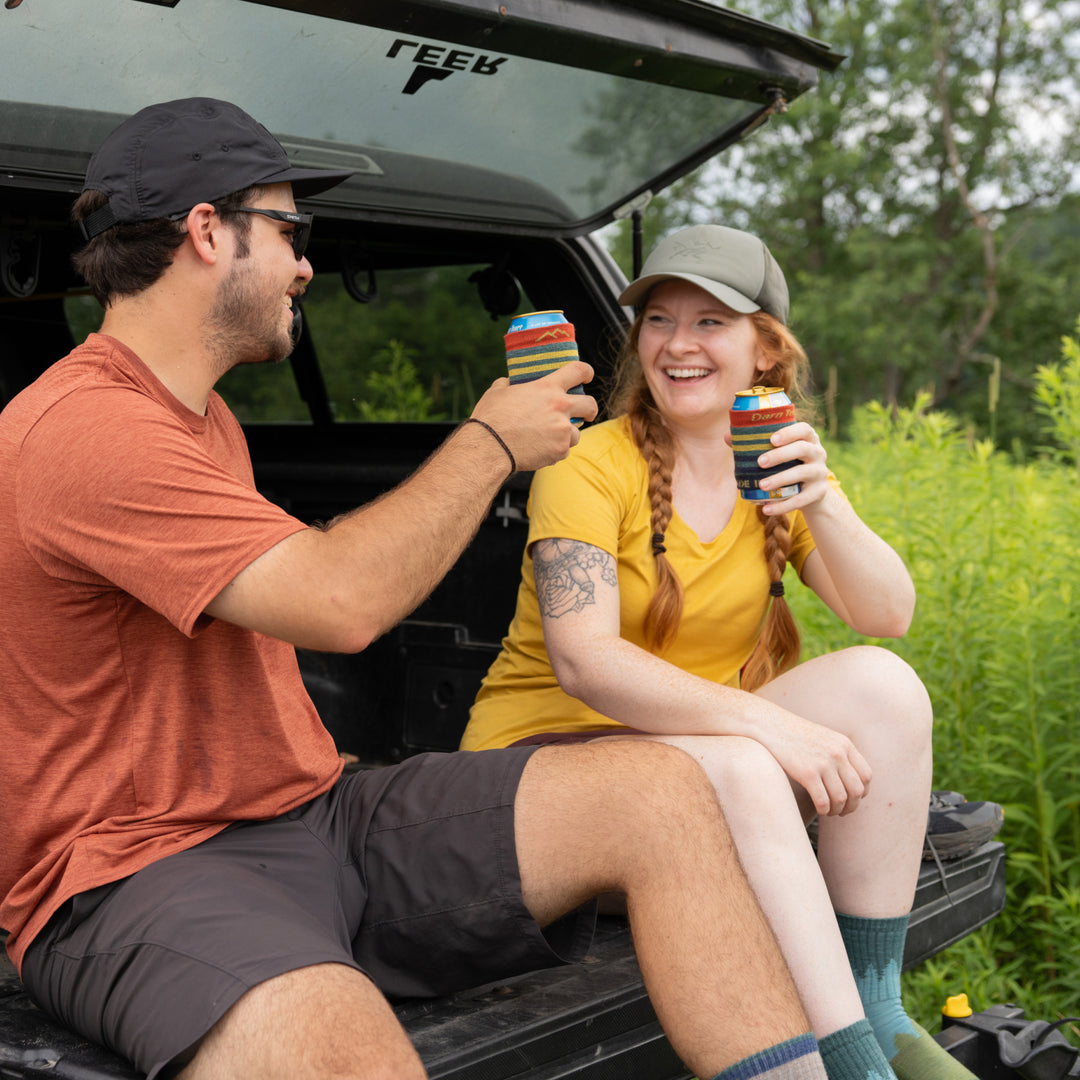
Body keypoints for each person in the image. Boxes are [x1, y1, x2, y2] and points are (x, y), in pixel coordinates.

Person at [0, 99, 833, 1080]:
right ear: (207, 231)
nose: (307, 262)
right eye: (289, 231)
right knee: (346, 1047)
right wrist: (489, 445)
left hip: (312, 820)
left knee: (662, 792)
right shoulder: (84, 430)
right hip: (131, 875)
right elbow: (337, 604)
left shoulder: (203, 420)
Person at [461, 224, 978, 1080]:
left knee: (883, 686)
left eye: (711, 322)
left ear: (765, 349)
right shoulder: (588, 465)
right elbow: (585, 661)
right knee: (738, 761)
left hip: (693, 765)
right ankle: (851, 1058)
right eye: (659, 320)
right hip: (534, 778)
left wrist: (827, 503)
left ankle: (874, 1005)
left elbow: (888, 615)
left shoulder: (774, 468)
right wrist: (772, 733)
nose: (678, 344)